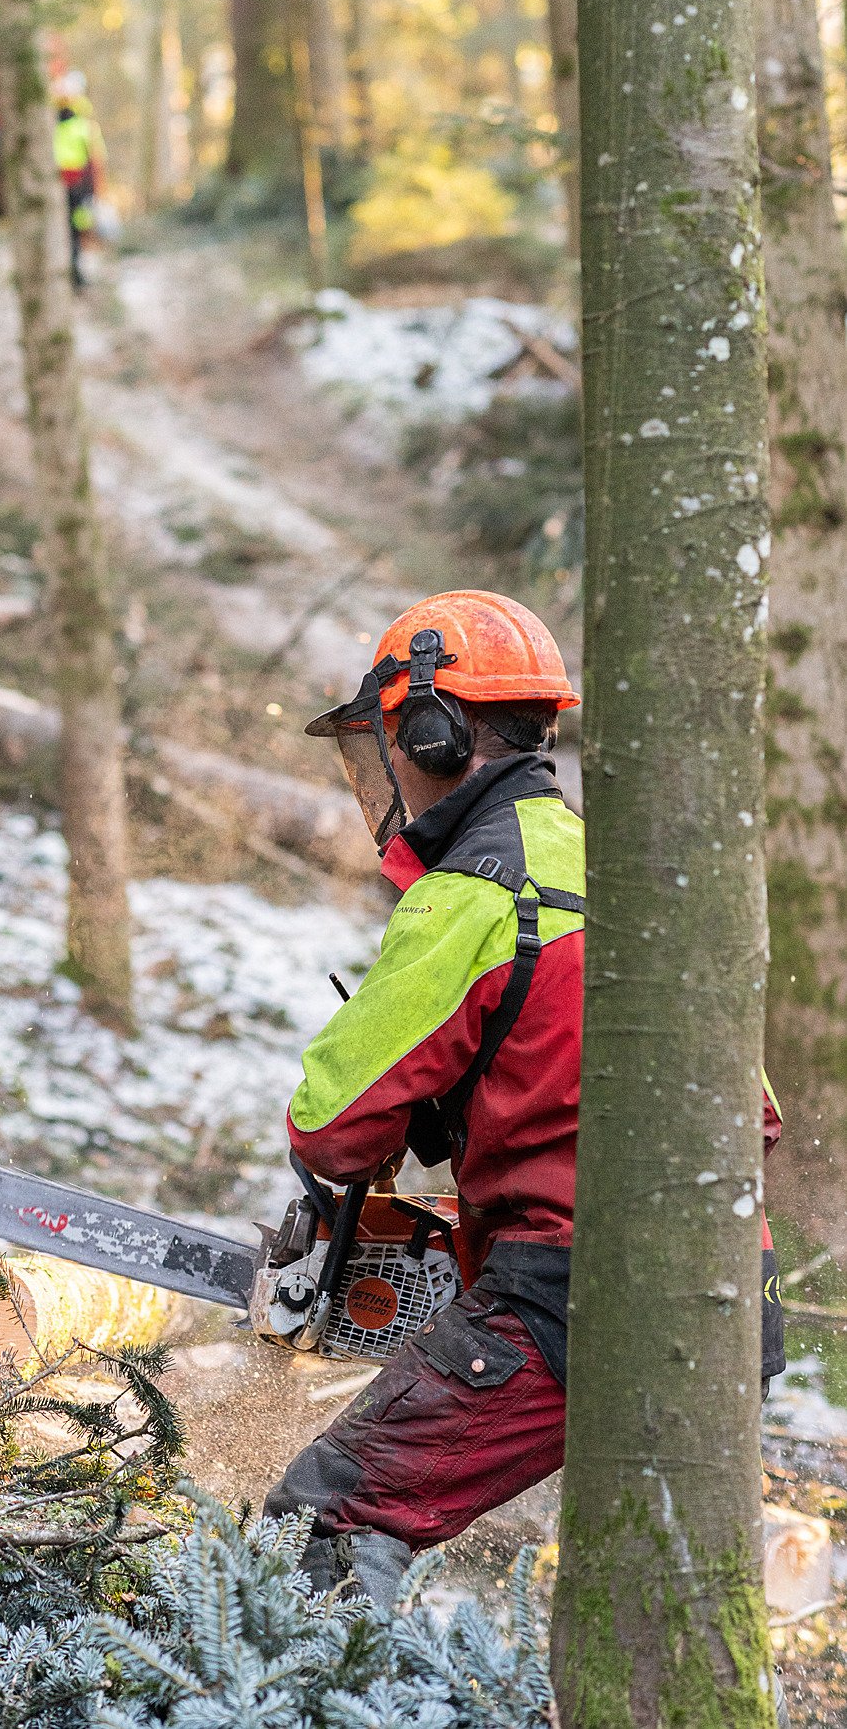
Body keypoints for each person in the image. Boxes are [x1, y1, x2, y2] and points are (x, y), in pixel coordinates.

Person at [264, 588, 786, 1608]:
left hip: (569, 1302)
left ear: (433, 729)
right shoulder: (632, 876)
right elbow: (750, 1110)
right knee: (637, 1607)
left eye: (387, 742)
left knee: (322, 1520)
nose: (386, 771)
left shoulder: (472, 894)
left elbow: (329, 1127)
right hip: (732, 1300)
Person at [53, 71, 106, 290]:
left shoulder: (63, 124)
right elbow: (94, 159)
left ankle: (75, 274)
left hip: (73, 187)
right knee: (74, 233)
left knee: (75, 232)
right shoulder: (79, 125)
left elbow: (93, 159)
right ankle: (74, 276)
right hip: (73, 187)